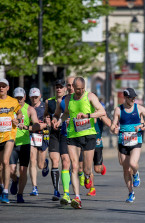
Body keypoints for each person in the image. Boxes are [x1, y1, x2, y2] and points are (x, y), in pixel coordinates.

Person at [54, 77, 106, 209]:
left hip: (89, 135)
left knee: (87, 168)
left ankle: (88, 176)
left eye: (82, 89)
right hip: (73, 135)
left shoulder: (90, 96)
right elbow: (66, 114)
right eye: (78, 89)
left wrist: (87, 115)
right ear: (72, 88)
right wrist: (59, 120)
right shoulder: (67, 99)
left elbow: (102, 111)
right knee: (74, 166)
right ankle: (77, 197)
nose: (80, 91)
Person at [110, 88, 145, 203]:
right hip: (123, 141)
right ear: (125, 97)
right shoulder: (118, 110)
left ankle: (136, 173)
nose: (134, 99)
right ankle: (131, 193)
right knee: (125, 169)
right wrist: (113, 129)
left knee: (132, 163)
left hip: (136, 140)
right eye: (131, 98)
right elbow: (113, 125)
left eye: (135, 97)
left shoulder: (139, 108)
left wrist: (142, 124)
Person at [10, 87, 40, 203]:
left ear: (25, 97)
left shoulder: (30, 109)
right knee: (11, 170)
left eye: (21, 98)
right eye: (16, 98)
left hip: (25, 143)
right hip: (11, 142)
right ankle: (14, 180)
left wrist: (27, 127)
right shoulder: (9, 109)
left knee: (23, 170)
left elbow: (37, 125)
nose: (19, 100)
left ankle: (20, 194)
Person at [51, 77, 75, 205]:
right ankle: (66, 194)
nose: (70, 87)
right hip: (65, 134)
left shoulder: (85, 99)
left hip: (81, 135)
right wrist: (55, 119)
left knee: (81, 167)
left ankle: (84, 174)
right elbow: (56, 114)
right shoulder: (62, 100)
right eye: (68, 85)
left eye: (72, 85)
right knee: (65, 162)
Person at [43, 79, 67, 200]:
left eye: (61, 87)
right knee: (55, 159)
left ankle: (66, 190)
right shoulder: (49, 101)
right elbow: (46, 114)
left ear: (65, 89)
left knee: (65, 160)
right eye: (57, 87)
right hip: (54, 133)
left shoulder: (69, 100)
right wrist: (47, 119)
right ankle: (56, 190)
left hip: (66, 134)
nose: (58, 89)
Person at [0, 78, 22, 203]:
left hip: (9, 134)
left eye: (3, 86)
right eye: (0, 86)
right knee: (0, 167)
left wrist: (17, 120)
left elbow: (19, 113)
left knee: (5, 161)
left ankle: (5, 192)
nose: (1, 88)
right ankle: (2, 186)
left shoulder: (13, 101)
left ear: (8, 88)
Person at [28, 88, 50, 196]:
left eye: (36, 96)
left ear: (40, 96)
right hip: (32, 135)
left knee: (40, 165)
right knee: (32, 160)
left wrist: (43, 125)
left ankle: (45, 164)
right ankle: (34, 187)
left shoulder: (45, 107)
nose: (34, 99)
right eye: (32, 97)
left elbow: (49, 122)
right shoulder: (28, 108)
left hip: (43, 135)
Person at [86, 115, 111, 196]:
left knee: (97, 169)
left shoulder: (99, 111)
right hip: (86, 142)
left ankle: (102, 167)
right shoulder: (84, 110)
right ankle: (92, 188)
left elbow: (109, 123)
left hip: (97, 143)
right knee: (87, 166)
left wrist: (101, 116)